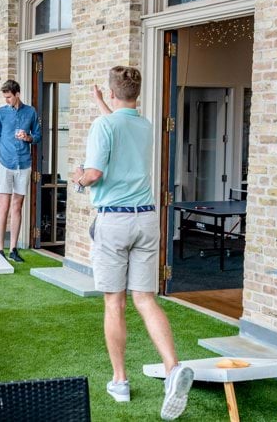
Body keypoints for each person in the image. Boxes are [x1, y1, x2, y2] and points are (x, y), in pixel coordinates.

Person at [71, 66, 193, 420]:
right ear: (135, 94)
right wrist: (101, 105)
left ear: (112, 92)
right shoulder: (144, 125)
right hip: (146, 218)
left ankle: (120, 381)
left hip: (115, 220)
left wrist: (78, 178)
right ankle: (172, 369)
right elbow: (119, 126)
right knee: (144, 298)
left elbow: (94, 173)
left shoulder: (103, 126)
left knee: (115, 303)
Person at [0, 79, 41, 263]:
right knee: (4, 207)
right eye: (5, 97)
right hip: (4, 164)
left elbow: (38, 136)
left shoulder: (30, 112)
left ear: (17, 94)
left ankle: (13, 249)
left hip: (23, 165)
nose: (7, 100)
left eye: (9, 97)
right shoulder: (0, 113)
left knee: (18, 206)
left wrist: (28, 137)